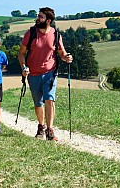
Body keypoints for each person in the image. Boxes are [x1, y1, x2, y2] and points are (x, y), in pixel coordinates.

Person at [18, 7, 73, 141]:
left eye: (41, 17)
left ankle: (50, 130)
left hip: (50, 72)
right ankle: (41, 126)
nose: (37, 18)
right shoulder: (30, 33)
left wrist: (67, 57)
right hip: (33, 73)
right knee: (38, 103)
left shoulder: (56, 35)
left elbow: (61, 52)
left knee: (49, 99)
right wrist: (24, 67)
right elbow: (21, 53)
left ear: (48, 20)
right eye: (38, 16)